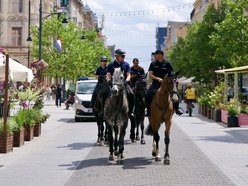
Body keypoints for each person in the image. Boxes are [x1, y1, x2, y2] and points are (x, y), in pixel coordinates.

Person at [145, 49, 183, 116]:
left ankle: (177, 109)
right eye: (156, 55)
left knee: (175, 94)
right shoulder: (153, 64)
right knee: (148, 94)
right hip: (156, 83)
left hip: (167, 83)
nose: (157, 56)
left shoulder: (167, 63)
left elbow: (172, 73)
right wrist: (157, 78)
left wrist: (172, 80)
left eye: (158, 54)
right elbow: (150, 74)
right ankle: (148, 110)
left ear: (162, 55)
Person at [106, 49, 135, 117]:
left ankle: (131, 112)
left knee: (131, 94)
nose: (123, 57)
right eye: (122, 56)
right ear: (116, 56)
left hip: (123, 84)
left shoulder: (126, 64)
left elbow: (128, 74)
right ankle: (104, 112)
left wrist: (127, 80)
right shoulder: (111, 64)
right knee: (104, 94)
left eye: (124, 56)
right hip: (113, 84)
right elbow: (107, 74)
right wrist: (109, 81)